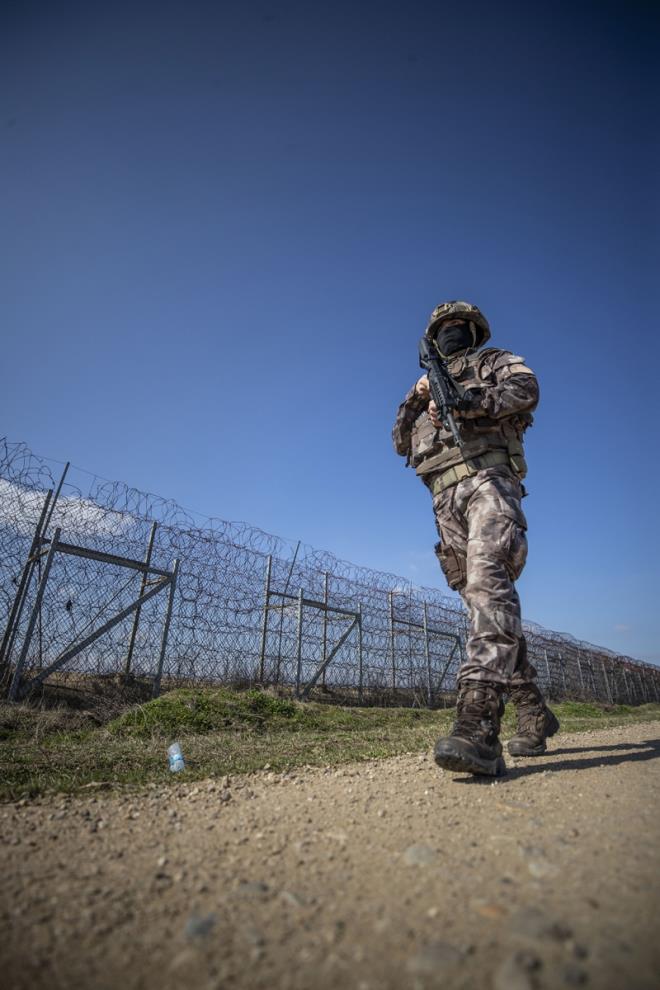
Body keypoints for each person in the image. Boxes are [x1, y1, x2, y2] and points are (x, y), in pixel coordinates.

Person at [392, 300, 559, 776]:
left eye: (454, 327)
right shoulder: (423, 386)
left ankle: (478, 722)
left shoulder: (493, 362)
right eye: (440, 330)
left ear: (471, 330)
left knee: (489, 585)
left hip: (489, 479)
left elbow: (527, 389)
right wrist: (415, 397)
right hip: (443, 498)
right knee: (480, 603)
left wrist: (472, 402)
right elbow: (400, 441)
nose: (447, 335)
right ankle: (533, 709)